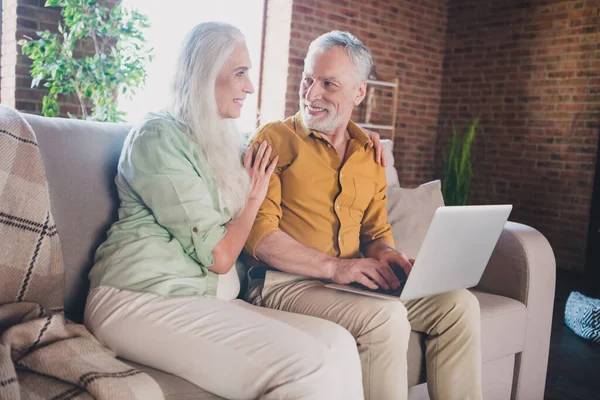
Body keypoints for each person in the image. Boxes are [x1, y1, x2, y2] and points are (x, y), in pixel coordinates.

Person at [84, 22, 371, 400]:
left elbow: (294, 139)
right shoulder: (159, 137)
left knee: (338, 343)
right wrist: (253, 199)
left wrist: (361, 141)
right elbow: (219, 256)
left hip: (202, 298)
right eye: (240, 73)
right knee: (309, 365)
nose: (249, 86)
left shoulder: (226, 140)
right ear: (205, 74)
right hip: (140, 297)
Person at [244, 30, 483, 400]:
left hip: (348, 282)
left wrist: (393, 259)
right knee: (384, 318)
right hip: (283, 283)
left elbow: (375, 234)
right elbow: (259, 237)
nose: (311, 94)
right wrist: (338, 268)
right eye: (308, 79)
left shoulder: (367, 153)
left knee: (459, 304)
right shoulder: (273, 140)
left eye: (328, 84)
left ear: (359, 92)